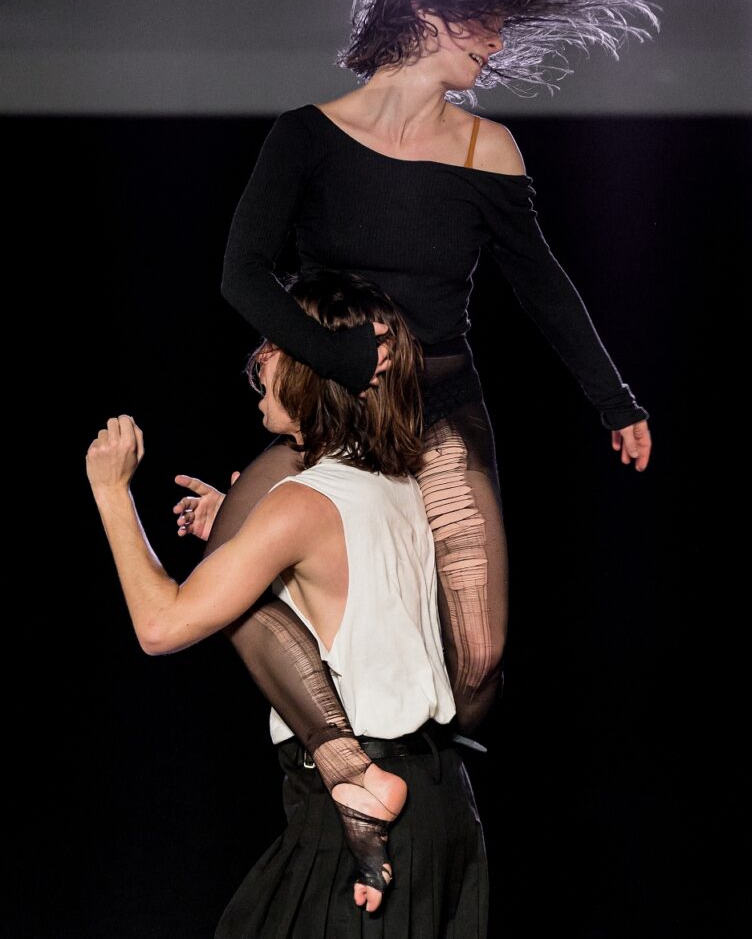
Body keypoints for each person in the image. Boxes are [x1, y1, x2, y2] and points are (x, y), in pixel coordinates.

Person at [173, 0, 672, 893]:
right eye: (481, 22)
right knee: (220, 577)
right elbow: (242, 275)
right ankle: (339, 760)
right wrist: (336, 357)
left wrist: (613, 397)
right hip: (331, 407)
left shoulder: (487, 149)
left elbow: (539, 282)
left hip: (439, 405)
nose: (493, 43)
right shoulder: (307, 136)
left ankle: (408, 758)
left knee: (480, 660)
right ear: (431, 18)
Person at [87, 270, 488, 935]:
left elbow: (160, 625)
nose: (259, 358)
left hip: (363, 814)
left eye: (275, 342)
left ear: (314, 363)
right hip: (440, 807)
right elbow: (345, 589)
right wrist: (247, 534)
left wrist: (111, 491)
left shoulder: (302, 502)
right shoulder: (394, 482)